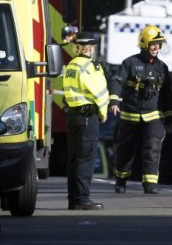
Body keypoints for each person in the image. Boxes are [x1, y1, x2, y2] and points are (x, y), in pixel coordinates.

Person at [109, 25, 172, 194]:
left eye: (159, 44)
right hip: (130, 115)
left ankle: (150, 184)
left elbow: (167, 94)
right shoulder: (130, 63)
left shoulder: (162, 67)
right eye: (154, 44)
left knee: (152, 148)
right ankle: (121, 181)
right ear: (144, 43)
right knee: (125, 151)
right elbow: (116, 81)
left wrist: (169, 116)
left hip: (153, 116)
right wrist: (114, 100)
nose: (157, 47)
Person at [63, 32, 109, 211]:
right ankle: (82, 198)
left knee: (74, 159)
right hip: (88, 116)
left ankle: (74, 199)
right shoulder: (92, 65)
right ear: (90, 48)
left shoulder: (72, 64)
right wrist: (103, 112)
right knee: (85, 158)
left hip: (73, 114)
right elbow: (100, 91)